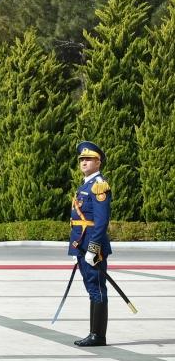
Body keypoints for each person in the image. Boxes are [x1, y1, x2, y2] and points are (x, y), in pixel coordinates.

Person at [69, 141, 112, 347]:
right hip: (82, 244)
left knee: (96, 288)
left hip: (92, 246)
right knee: (91, 287)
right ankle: (95, 333)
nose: (84, 162)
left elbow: (101, 221)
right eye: (82, 159)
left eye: (89, 159)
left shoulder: (98, 185)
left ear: (98, 162)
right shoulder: (85, 185)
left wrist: (94, 249)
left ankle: (98, 335)